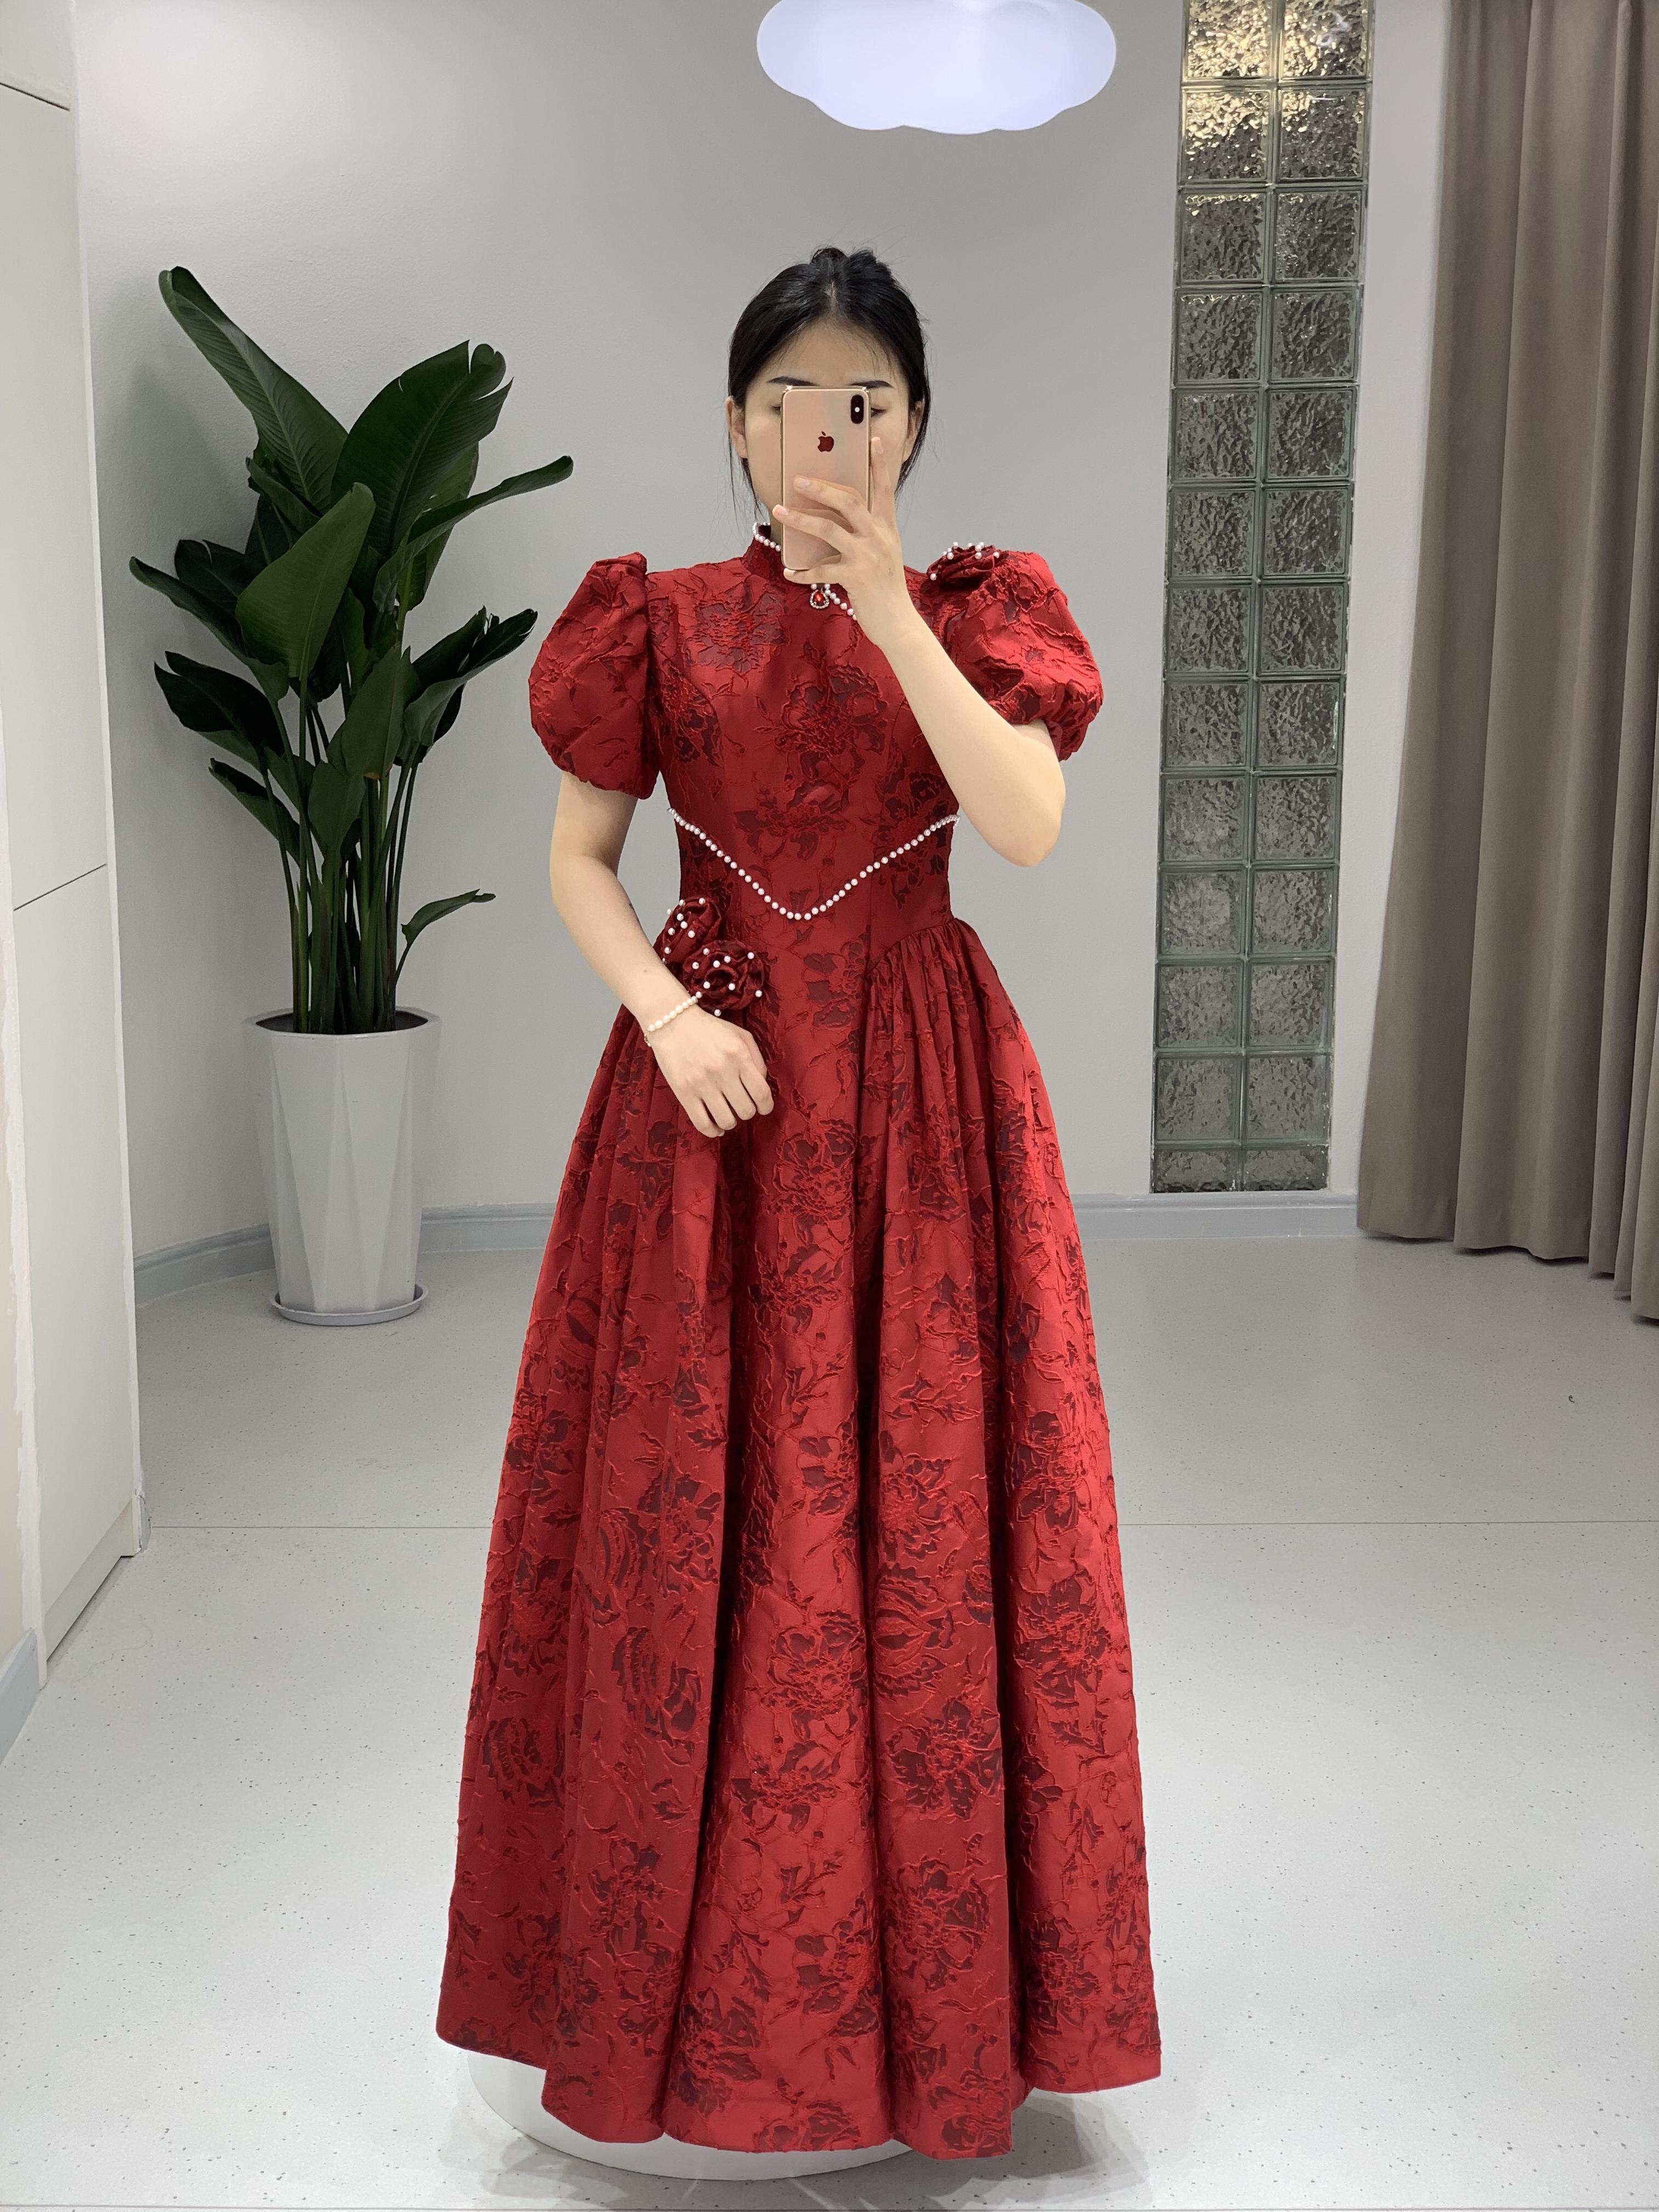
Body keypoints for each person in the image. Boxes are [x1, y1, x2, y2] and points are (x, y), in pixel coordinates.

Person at [435, 244, 1161, 2163]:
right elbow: (583, 861)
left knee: (925, 1528)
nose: (823, 434)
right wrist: (667, 1012)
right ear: (735, 422)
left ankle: (930, 2022)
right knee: (695, 1526)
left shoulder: (986, 611)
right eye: (786, 401)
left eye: (862, 401)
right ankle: (674, 2013)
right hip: (715, 1110)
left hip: (925, 1108)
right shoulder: (660, 621)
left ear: (914, 422)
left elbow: (1025, 823)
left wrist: (887, 605)